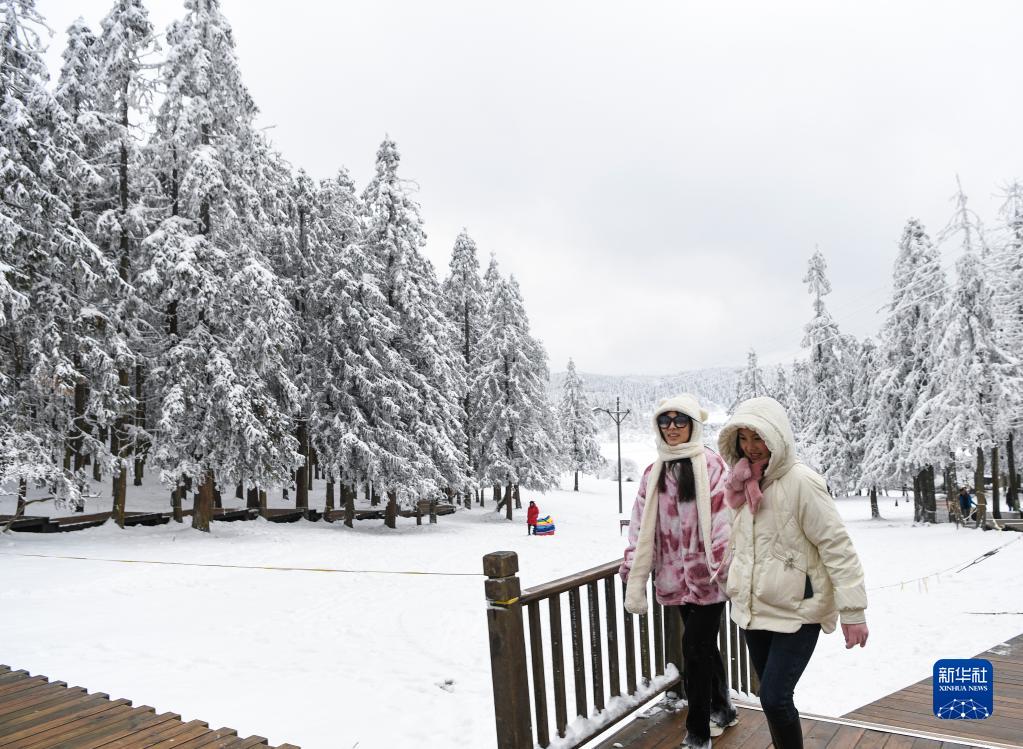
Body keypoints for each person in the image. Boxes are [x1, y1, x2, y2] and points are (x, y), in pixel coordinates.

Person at [718, 397, 868, 749]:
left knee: (774, 698)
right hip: (755, 611)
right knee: (772, 698)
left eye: (759, 438)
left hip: (799, 611)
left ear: (777, 437)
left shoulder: (802, 482)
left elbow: (837, 547)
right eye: (743, 438)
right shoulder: (741, 483)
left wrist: (853, 611)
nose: (751, 448)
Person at [620, 394, 737, 749]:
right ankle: (724, 708)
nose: (672, 428)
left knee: (693, 646)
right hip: (673, 577)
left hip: (709, 579)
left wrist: (721, 566)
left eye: (680, 421)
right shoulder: (652, 472)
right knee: (703, 646)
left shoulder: (712, 466)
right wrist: (634, 567)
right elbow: (640, 527)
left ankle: (698, 731)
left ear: (693, 425)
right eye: (665, 421)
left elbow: (724, 522)